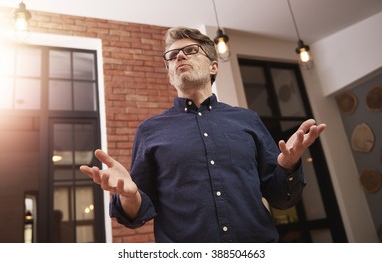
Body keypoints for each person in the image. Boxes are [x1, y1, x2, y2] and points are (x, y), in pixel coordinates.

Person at [80, 27, 326, 243]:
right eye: (172, 56)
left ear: (213, 66)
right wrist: (130, 195)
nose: (179, 56)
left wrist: (288, 165)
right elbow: (137, 213)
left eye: (190, 50)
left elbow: (281, 199)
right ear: (170, 76)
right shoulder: (149, 131)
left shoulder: (248, 120)